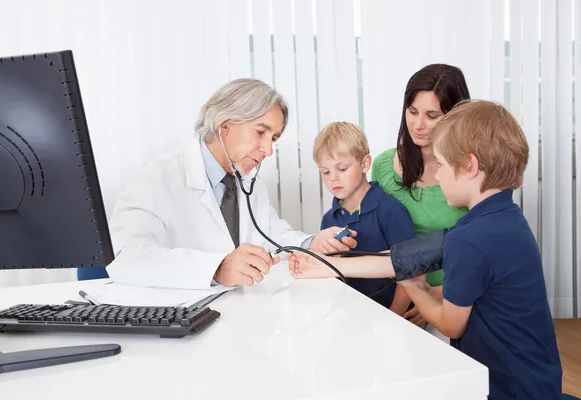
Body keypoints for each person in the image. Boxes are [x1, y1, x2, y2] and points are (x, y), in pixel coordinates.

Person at [290, 100, 563, 400]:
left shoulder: (469, 240)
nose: (437, 176)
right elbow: (402, 258)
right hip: (540, 377)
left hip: (507, 389)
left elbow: (450, 324)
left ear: (470, 166)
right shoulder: (503, 219)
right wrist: (326, 266)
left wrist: (416, 288)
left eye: (442, 165)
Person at [106, 78, 356, 289]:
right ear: (224, 124)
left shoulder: (248, 181)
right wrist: (216, 268)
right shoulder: (159, 179)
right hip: (179, 324)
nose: (268, 150)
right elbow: (126, 258)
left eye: (274, 138)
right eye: (261, 132)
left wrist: (312, 244)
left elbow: (269, 232)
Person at [371, 64, 470, 329]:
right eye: (412, 111)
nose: (418, 124)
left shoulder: (470, 174)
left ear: (453, 116)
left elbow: (481, 253)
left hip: (454, 299)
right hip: (396, 293)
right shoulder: (383, 165)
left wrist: (433, 298)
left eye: (432, 115)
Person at [313, 121, 416, 310]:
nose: (333, 178)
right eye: (325, 172)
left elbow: (410, 274)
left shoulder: (391, 211)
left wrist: (396, 318)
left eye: (342, 168)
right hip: (350, 318)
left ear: (365, 163)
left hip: (391, 318)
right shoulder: (329, 220)